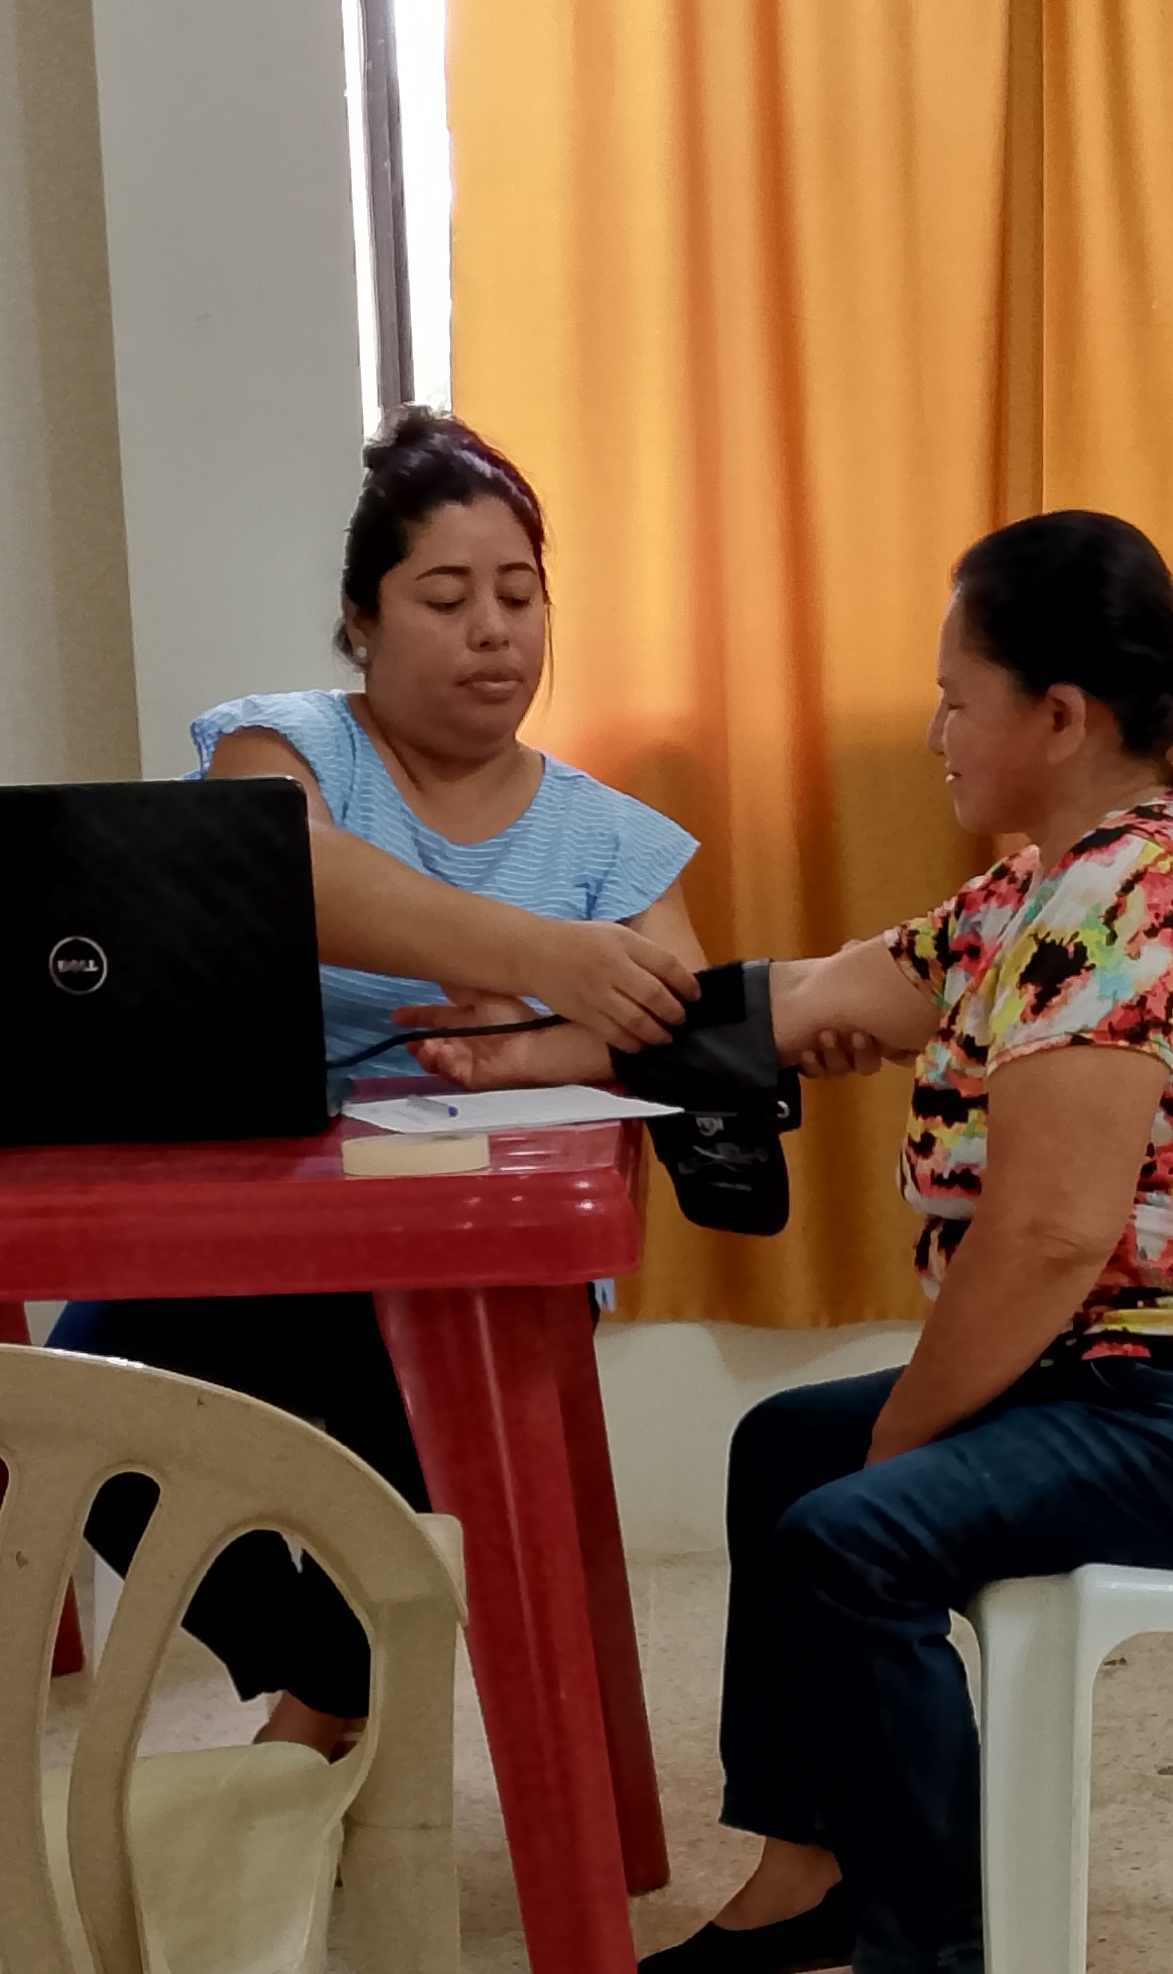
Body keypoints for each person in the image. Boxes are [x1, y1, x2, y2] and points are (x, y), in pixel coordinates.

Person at [419, 510, 1173, 1974]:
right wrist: (515, 1051)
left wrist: (911, 1432)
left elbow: (1048, 1237)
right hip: (1153, 1376)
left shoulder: (1133, 898)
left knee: (851, 1532)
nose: (934, 728)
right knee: (785, 1452)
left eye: (957, 697)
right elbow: (808, 1001)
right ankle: (808, 1872)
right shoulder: (1040, 892)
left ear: (1060, 717)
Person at [56, 410, 706, 1752]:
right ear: (361, 619)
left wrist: (533, 1044)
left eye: (519, 596)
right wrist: (547, 959)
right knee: (81, 1419)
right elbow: (288, 873)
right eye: (447, 598)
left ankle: (323, 1721)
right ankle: (331, 1682)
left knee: (417, 1464)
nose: (494, 632)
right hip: (250, 1222)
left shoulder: (611, 835)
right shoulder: (280, 748)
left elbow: (683, 1026)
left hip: (468, 1244)